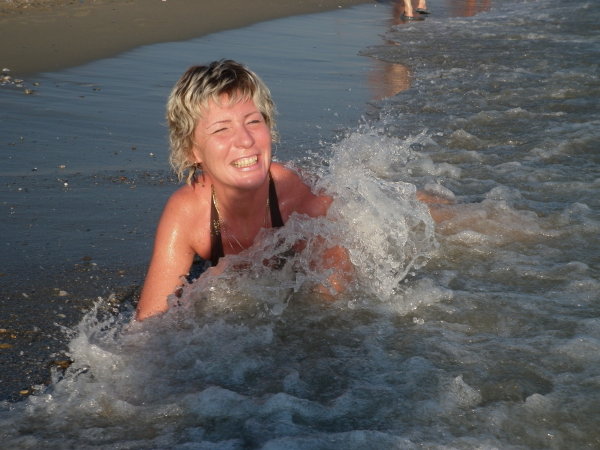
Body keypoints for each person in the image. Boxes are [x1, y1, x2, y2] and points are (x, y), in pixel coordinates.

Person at [135, 60, 351, 321]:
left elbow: (335, 302)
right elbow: (148, 321)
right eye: (222, 129)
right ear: (191, 151)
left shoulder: (300, 195)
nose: (246, 140)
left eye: (253, 122)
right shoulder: (188, 213)